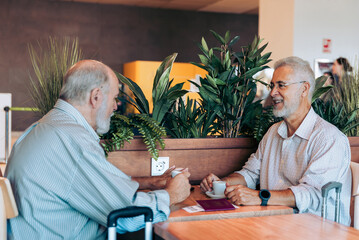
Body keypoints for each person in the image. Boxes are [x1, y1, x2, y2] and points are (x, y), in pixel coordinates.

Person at [5, 60, 191, 239]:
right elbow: (127, 215)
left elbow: (90, 183)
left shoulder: (44, 128)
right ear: (95, 97)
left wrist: (151, 183)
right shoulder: (75, 141)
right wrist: (172, 194)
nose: (116, 106)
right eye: (115, 98)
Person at [200, 56, 351, 226]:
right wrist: (221, 183)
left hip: (317, 231)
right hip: (275, 225)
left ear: (304, 89)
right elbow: (250, 174)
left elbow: (313, 194)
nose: (272, 93)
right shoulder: (273, 132)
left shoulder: (329, 138)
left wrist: (259, 197)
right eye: (272, 86)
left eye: (281, 85)